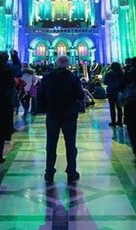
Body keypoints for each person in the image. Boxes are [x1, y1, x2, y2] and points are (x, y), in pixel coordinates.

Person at [36, 55, 84, 183]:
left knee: (51, 143)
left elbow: (40, 94)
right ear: (68, 64)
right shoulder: (73, 77)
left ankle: (49, 172)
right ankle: (71, 172)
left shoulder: (47, 77)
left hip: (53, 113)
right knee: (70, 144)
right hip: (69, 114)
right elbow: (80, 94)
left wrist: (43, 107)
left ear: (56, 63)